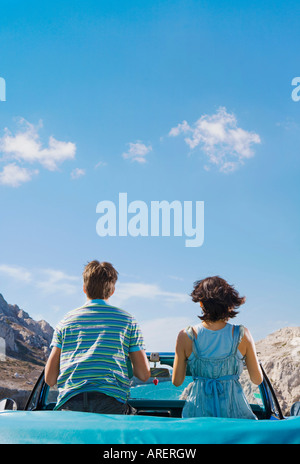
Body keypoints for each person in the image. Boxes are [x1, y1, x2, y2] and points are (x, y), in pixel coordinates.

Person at [45, 260, 150, 414]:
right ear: (112, 290)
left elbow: (49, 379)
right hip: (111, 403)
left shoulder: (65, 321)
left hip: (70, 403)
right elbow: (143, 374)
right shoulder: (127, 320)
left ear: (84, 289)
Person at [172, 276, 263, 419]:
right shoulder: (241, 334)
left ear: (201, 303)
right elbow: (257, 379)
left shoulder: (185, 336)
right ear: (229, 304)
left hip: (198, 413)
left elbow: (177, 381)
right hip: (235, 413)